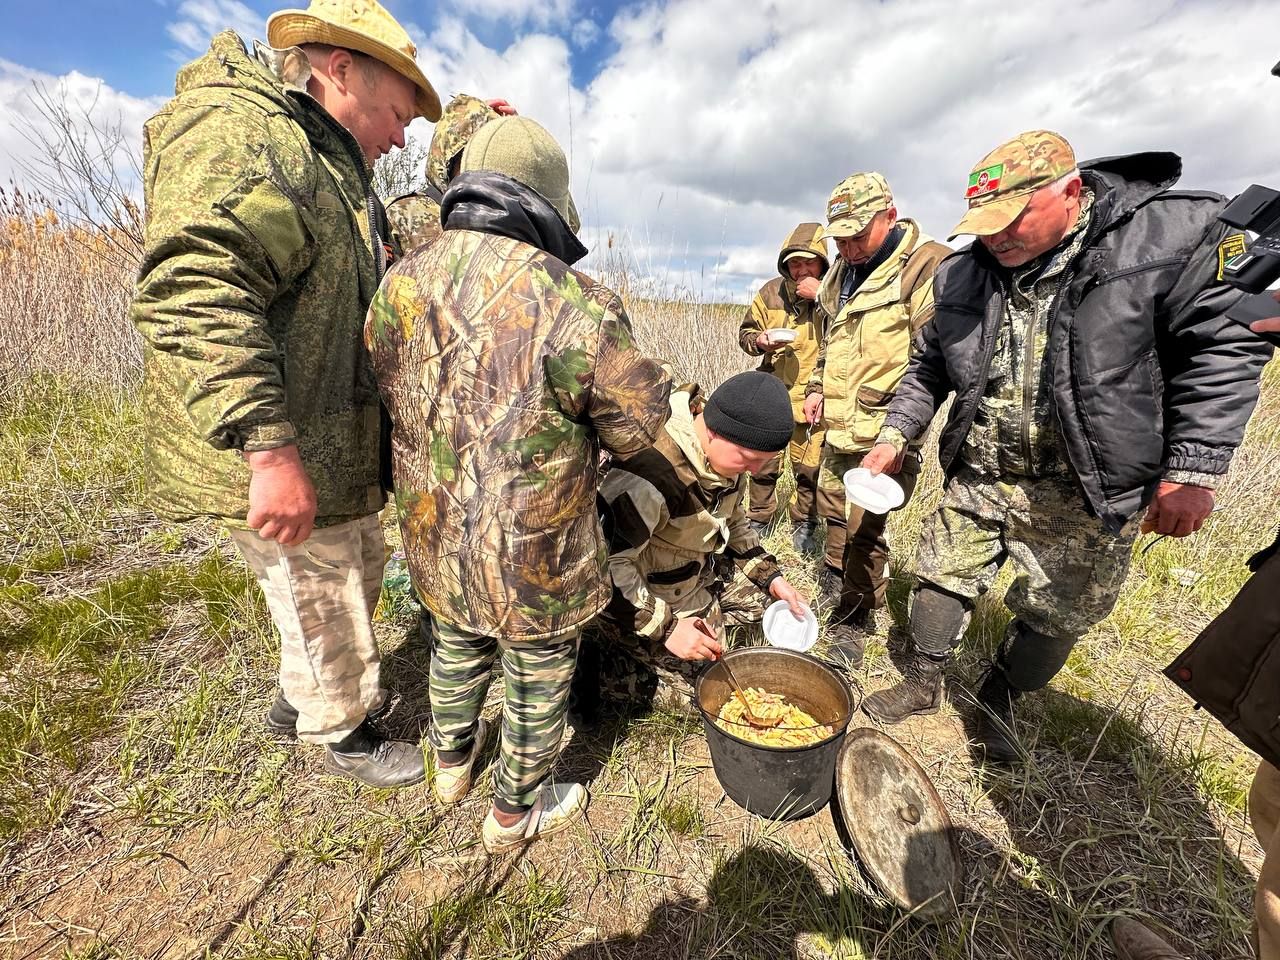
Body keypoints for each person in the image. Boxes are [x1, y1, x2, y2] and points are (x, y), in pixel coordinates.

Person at [857, 130, 1270, 763]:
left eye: (1011, 221)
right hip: (982, 472)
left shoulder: (1165, 238)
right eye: (985, 226)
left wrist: (1193, 468)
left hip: (1088, 486)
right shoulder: (962, 275)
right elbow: (928, 368)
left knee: (1058, 612)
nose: (996, 239)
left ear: (1070, 193)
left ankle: (1001, 698)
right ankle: (922, 682)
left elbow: (1223, 346)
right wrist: (893, 436)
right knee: (940, 576)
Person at [131, 0, 441, 787]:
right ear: (341, 70)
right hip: (284, 442)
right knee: (324, 586)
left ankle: (297, 697)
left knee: (348, 574)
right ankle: (342, 732)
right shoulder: (249, 135)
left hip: (327, 444)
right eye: (400, 114)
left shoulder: (333, 166)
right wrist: (268, 447)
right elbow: (197, 288)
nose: (403, 137)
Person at [366, 116, 672, 853]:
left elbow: (382, 388)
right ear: (547, 201)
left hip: (435, 530)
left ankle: (449, 767)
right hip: (536, 549)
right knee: (537, 674)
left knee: (454, 642)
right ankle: (512, 816)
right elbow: (635, 426)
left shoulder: (399, 283)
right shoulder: (575, 298)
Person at [573, 372, 810, 720]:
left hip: (692, 571)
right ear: (713, 430)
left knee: (769, 604)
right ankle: (596, 666)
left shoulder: (725, 456)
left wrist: (771, 577)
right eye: (749, 459)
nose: (755, 470)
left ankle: (695, 621)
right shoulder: (651, 478)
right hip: (635, 594)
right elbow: (602, 568)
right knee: (702, 699)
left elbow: (733, 520)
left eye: (764, 461)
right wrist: (667, 629)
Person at [800, 173, 949, 669]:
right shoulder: (839, 272)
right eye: (839, 237)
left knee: (865, 530)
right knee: (833, 513)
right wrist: (818, 386)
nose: (847, 246)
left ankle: (856, 616)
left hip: (885, 432)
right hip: (838, 427)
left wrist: (900, 433)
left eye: (857, 235)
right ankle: (834, 583)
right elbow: (830, 344)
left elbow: (934, 361)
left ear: (889, 214)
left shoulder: (924, 266)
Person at [736, 223, 841, 554]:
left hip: (816, 398)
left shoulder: (838, 293)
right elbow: (746, 334)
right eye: (795, 263)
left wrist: (822, 295)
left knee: (808, 470)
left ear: (822, 264)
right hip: (772, 393)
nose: (801, 270)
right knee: (763, 465)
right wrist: (759, 341)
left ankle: (804, 524)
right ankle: (759, 519)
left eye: (809, 263)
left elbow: (848, 334)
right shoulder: (771, 292)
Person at [385, 94, 516, 253]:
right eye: (475, 152)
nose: (487, 164)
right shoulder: (403, 213)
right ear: (449, 157)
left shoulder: (506, 222)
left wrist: (517, 136)